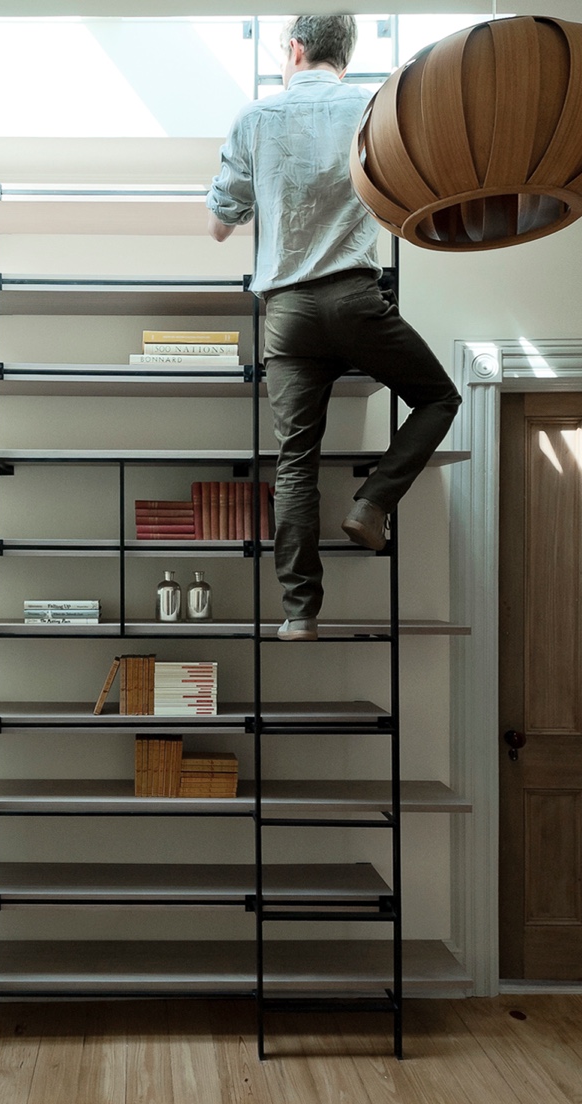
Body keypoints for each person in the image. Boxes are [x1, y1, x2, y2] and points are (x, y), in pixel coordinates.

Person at [207, 14, 462, 641]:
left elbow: (220, 221)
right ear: (345, 57)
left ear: (294, 48)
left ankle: (300, 614)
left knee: (296, 460)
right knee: (438, 397)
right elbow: (409, 195)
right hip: (353, 297)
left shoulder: (255, 117)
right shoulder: (377, 109)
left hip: (287, 315)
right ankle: (373, 503)